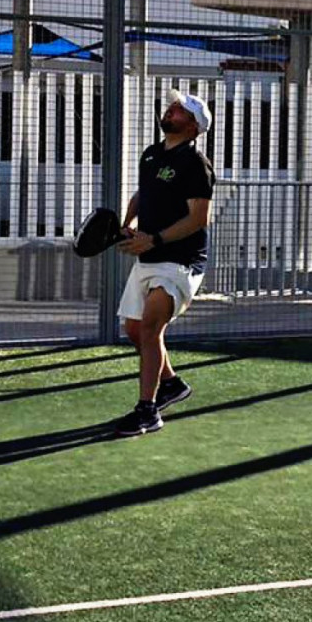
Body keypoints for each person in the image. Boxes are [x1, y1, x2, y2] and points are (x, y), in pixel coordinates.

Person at [111, 91, 216, 438]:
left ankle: (147, 411)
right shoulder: (151, 154)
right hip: (149, 256)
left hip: (181, 262)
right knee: (134, 330)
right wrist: (127, 222)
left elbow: (199, 218)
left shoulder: (196, 164)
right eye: (172, 107)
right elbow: (143, 194)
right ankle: (171, 383)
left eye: (180, 110)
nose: (171, 110)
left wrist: (154, 239)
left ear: (193, 126)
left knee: (151, 328)